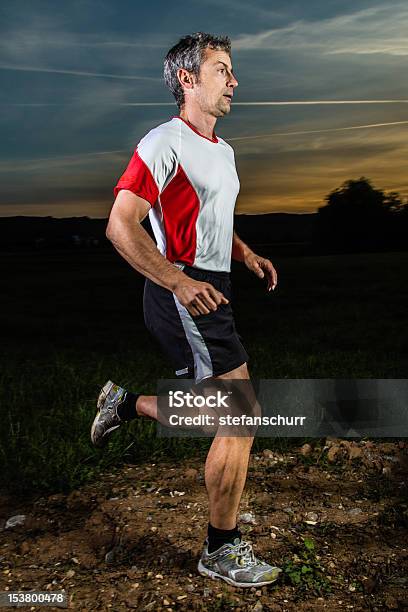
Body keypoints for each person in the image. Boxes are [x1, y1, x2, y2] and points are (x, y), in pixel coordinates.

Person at [91, 32, 281, 587]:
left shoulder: (221, 150)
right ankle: (221, 548)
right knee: (240, 414)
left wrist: (244, 253)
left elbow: (212, 216)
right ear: (187, 80)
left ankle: (125, 405)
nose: (234, 81)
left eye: (232, 70)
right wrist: (177, 281)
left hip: (212, 285)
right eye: (222, 69)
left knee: (221, 411)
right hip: (180, 290)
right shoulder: (162, 143)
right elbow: (119, 226)